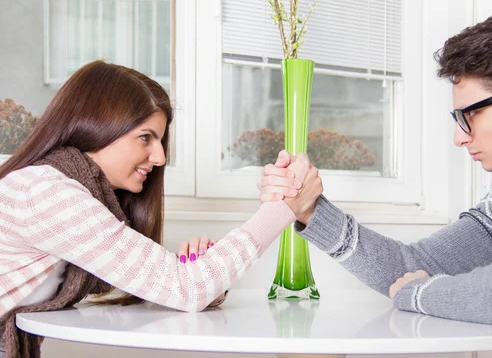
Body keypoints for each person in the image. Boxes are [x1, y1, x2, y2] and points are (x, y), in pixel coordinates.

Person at [258, 13, 492, 358]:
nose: (459, 138)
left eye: (468, 116)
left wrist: (418, 293)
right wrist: (312, 210)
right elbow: (413, 265)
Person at [0, 60, 319, 358]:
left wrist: (209, 279)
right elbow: (186, 288)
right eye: (145, 138)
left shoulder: (70, 193)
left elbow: (169, 286)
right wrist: (284, 208)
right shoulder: (46, 193)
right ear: (96, 126)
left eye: (160, 141)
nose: (160, 157)